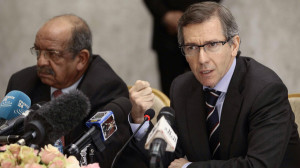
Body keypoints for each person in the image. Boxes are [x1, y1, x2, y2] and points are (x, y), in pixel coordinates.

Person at [130, 2, 300, 168]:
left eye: (212, 45)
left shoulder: (266, 90)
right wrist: (139, 121)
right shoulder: (182, 88)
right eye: (192, 47)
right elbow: (168, 158)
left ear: (234, 45)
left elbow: (258, 164)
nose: (202, 59)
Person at [5, 14, 130, 167]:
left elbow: (103, 158)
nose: (41, 61)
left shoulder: (107, 89)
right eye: (38, 52)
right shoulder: (22, 83)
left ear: (81, 59)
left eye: (53, 54)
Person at [143, 0, 221, 96]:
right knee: (171, 93)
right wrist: (165, 14)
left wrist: (196, 15)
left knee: (209, 92)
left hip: (202, 29)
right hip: (167, 37)